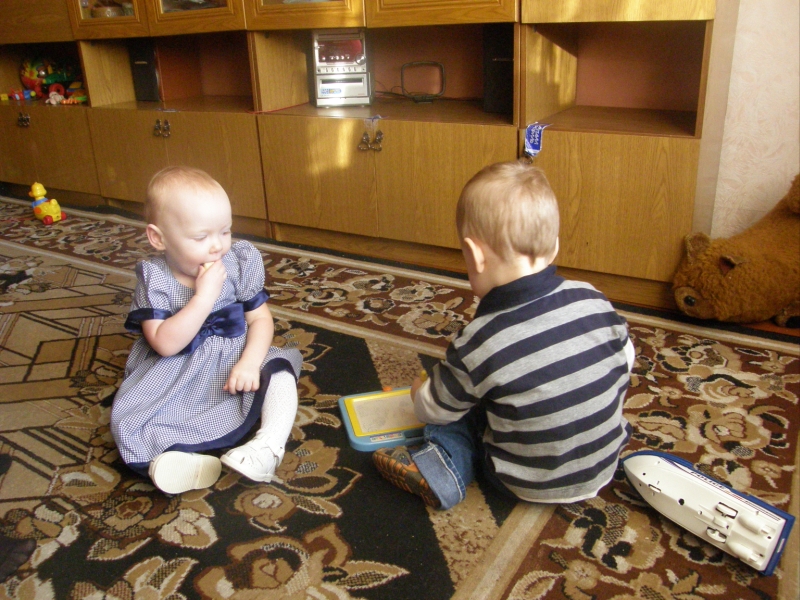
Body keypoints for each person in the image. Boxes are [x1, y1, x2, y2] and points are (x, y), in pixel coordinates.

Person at [372, 160, 635, 510]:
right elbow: (625, 358)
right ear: (554, 245)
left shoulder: (480, 340)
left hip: (522, 480)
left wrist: (420, 391)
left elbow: (431, 409)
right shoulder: (594, 298)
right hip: (603, 466)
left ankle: (445, 468)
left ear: (475, 255)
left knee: (460, 412)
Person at [111, 166, 302, 495]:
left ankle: (268, 447)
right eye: (201, 237)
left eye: (225, 231)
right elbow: (165, 344)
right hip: (176, 372)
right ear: (158, 238)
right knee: (131, 423)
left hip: (234, 358)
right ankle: (174, 463)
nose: (217, 246)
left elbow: (260, 319)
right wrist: (204, 297)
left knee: (281, 372)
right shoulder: (156, 280)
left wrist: (249, 362)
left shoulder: (237, 263)